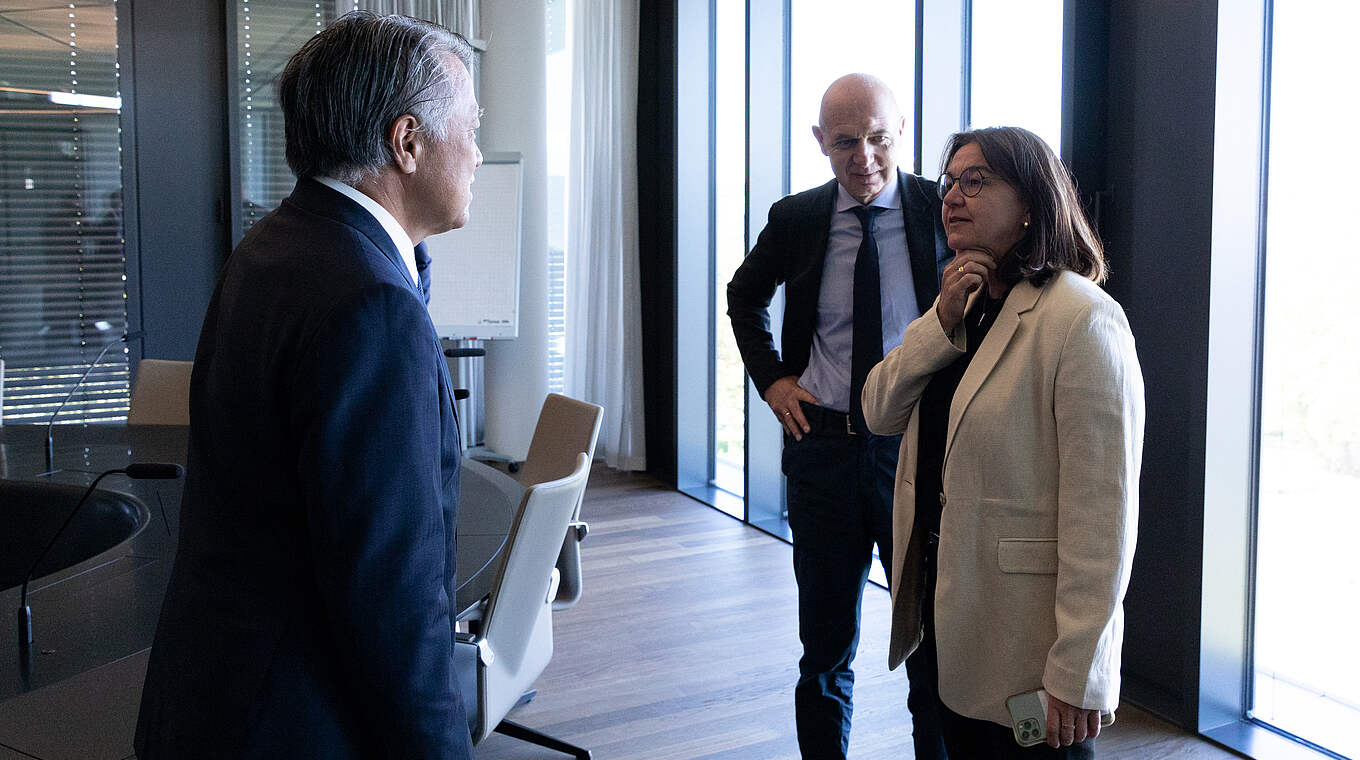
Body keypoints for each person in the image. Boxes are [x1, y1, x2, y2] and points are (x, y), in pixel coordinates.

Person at [134, 12, 482, 759]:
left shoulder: (277, 246)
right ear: (408, 141)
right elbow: (393, 596)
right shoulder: (371, 303)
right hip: (295, 725)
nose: (480, 154)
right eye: (472, 128)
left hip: (214, 700)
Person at [861, 126, 1144, 758]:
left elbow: (1103, 518)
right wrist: (939, 322)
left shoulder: (1081, 318)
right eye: (950, 182)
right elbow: (879, 410)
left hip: (1026, 639)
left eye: (977, 180)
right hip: (949, 606)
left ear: (1030, 204)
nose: (954, 196)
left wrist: (1079, 668)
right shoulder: (964, 305)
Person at [727, 73, 951, 760]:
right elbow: (744, 296)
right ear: (820, 141)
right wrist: (774, 381)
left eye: (879, 140)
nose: (865, 159)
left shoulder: (941, 211)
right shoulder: (796, 218)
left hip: (912, 451)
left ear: (901, 132)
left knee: (930, 644)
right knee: (824, 647)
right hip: (821, 450)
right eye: (846, 143)